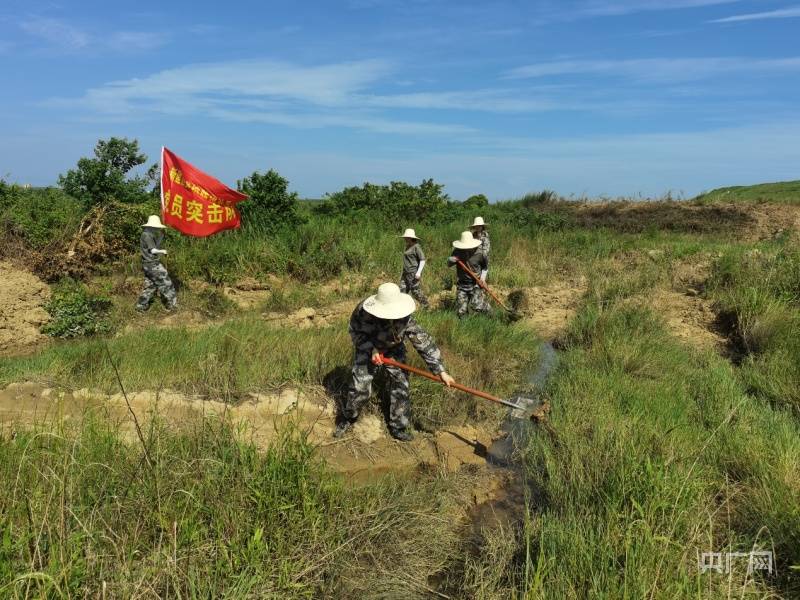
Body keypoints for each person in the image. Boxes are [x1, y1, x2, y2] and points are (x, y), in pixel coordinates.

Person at [335, 283, 455, 441]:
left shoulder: (405, 317)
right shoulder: (363, 312)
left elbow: (423, 342)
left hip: (393, 348)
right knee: (360, 386)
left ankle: (398, 426)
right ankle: (348, 417)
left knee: (401, 384)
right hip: (368, 346)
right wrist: (371, 349)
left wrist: (441, 371)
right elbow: (355, 332)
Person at [135, 215, 177, 312]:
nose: (156, 229)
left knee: (150, 286)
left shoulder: (147, 234)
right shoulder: (147, 235)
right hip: (153, 264)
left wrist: (161, 236)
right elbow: (154, 251)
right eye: (156, 228)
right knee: (167, 284)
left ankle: (140, 307)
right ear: (152, 226)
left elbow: (155, 247)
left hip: (147, 264)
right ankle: (173, 306)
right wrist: (163, 251)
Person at [447, 231, 489, 318]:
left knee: (477, 305)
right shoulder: (457, 252)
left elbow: (485, 268)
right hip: (462, 284)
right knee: (461, 311)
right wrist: (451, 260)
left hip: (476, 283)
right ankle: (464, 326)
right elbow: (449, 264)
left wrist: (482, 279)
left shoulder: (480, 253)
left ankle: (490, 312)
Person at [398, 228, 429, 308]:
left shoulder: (416, 247)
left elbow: (422, 260)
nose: (404, 238)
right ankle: (403, 307)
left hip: (413, 273)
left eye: (406, 237)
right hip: (405, 272)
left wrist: (418, 272)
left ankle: (425, 304)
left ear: (410, 237)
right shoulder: (408, 246)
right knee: (402, 289)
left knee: (415, 290)